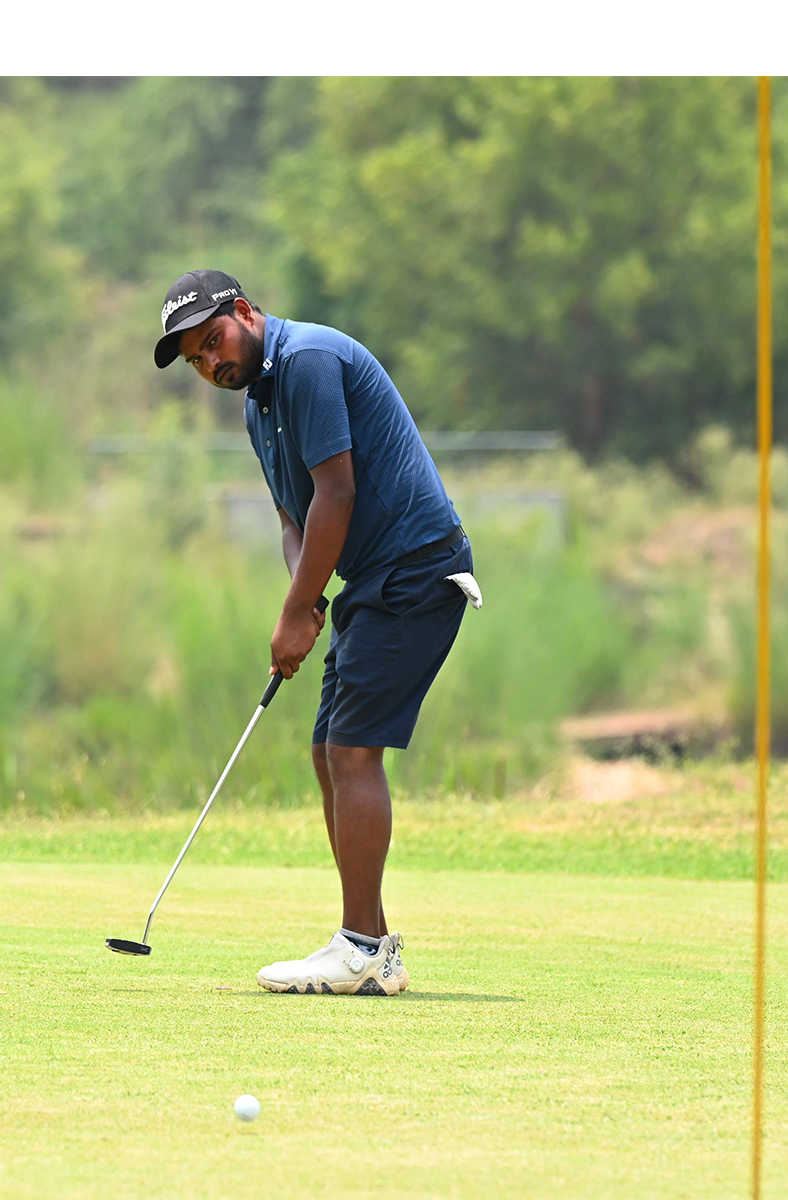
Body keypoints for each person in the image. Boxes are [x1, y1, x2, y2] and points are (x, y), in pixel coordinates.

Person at [154, 269, 480, 996]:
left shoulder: (306, 363)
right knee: (327, 750)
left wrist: (298, 611)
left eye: (213, 341)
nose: (211, 364)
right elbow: (294, 520)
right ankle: (368, 944)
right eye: (196, 361)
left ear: (244, 311)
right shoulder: (257, 406)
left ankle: (363, 948)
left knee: (353, 751)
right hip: (373, 580)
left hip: (416, 569)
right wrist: (305, 598)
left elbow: (339, 489)